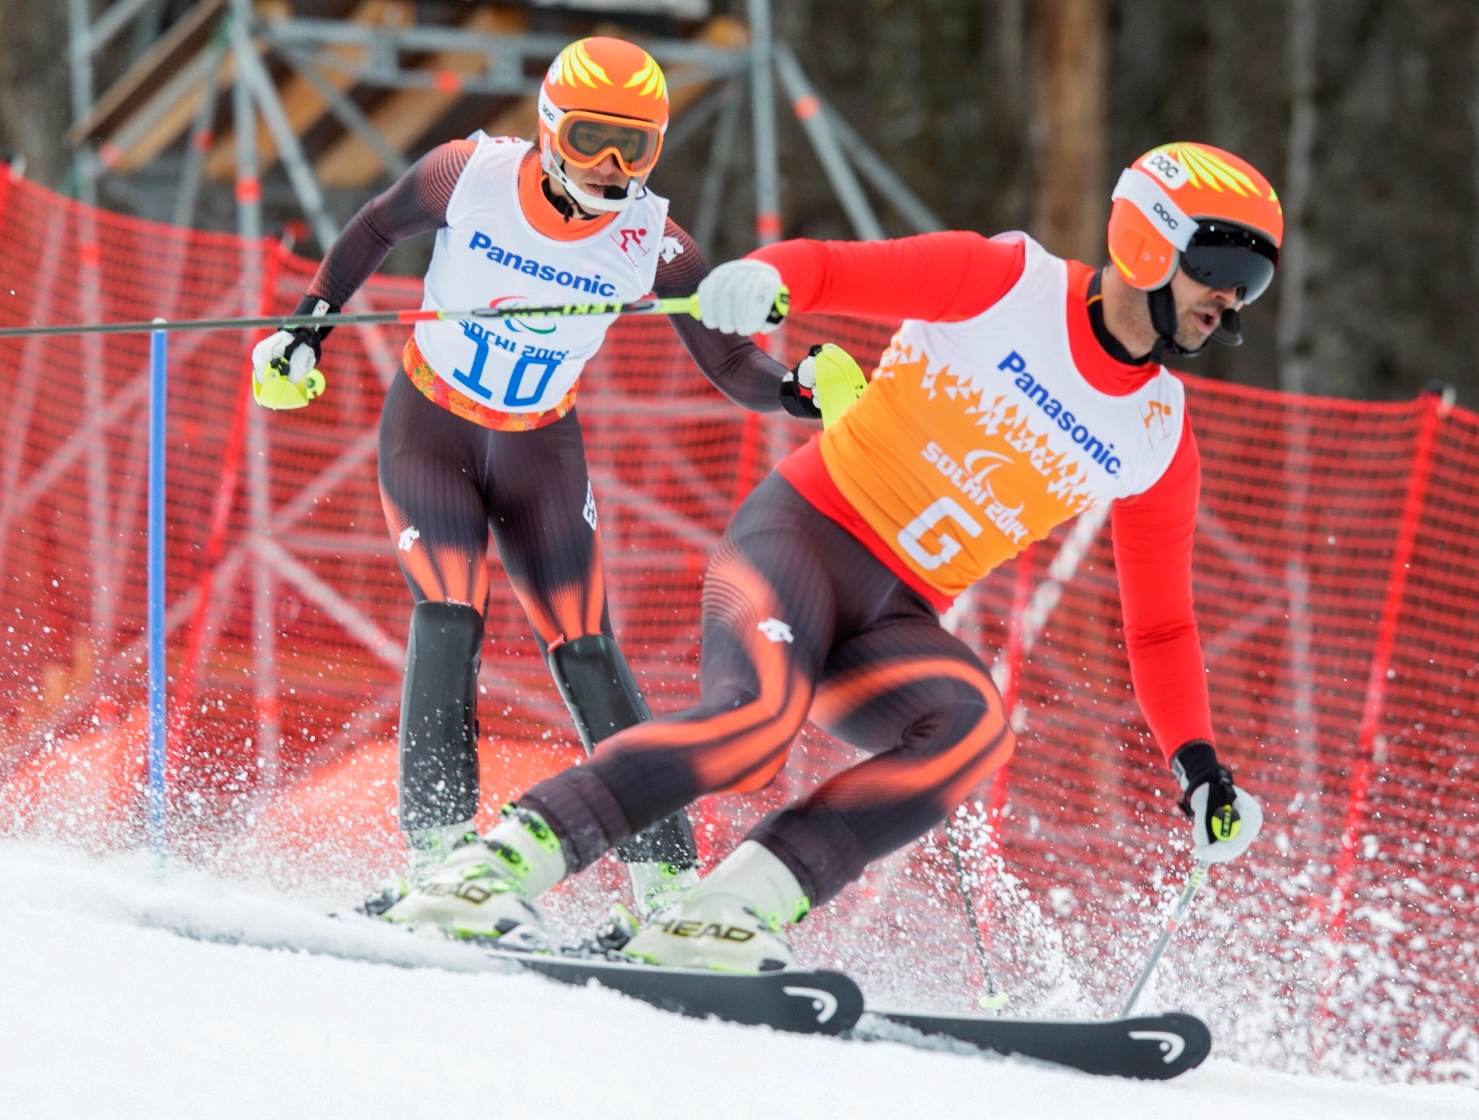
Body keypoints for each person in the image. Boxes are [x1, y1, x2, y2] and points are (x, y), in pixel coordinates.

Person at [380, 142, 1274, 970]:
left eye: (1256, 282)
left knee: (973, 732)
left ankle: (722, 912)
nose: (1232, 298)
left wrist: (1199, 766)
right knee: (758, 721)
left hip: (892, 619)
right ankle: (486, 871)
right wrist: (760, 278)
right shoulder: (1011, 282)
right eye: (1224, 268)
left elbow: (1162, 622)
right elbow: (838, 268)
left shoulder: (1159, 434)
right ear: (1149, 240)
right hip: (799, 539)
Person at [249, 37, 792, 928]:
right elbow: (377, 227)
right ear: (547, 126)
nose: (610, 168)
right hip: (433, 429)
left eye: (635, 148)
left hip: (541, 449)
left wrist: (801, 392)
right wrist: (305, 330)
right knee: (450, 612)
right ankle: (438, 863)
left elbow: (731, 362)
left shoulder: (652, 240)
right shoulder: (467, 174)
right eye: (588, 138)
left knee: (586, 649)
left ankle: (668, 889)